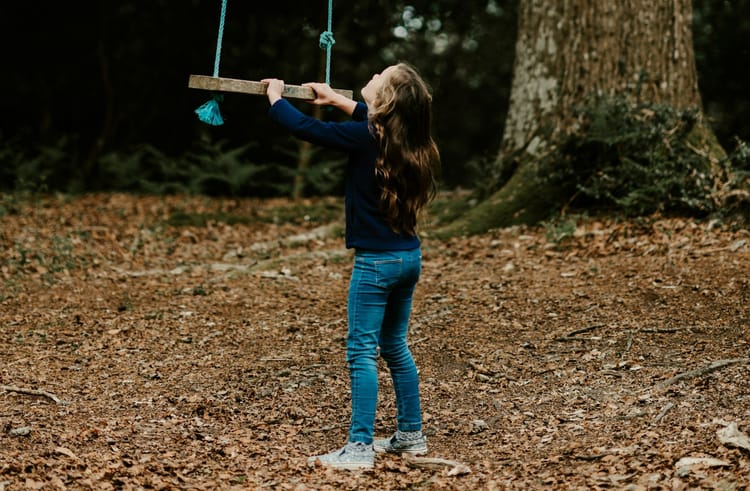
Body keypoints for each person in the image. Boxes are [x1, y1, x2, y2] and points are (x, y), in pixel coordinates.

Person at [262, 62, 440, 470]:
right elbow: (373, 125)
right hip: (407, 259)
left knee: (361, 350)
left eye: (381, 76)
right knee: (394, 345)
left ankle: (359, 447)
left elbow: (309, 130)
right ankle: (411, 435)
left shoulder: (366, 138)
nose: (374, 74)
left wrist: (275, 98)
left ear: (386, 100)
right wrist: (338, 99)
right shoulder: (411, 142)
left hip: (375, 265)